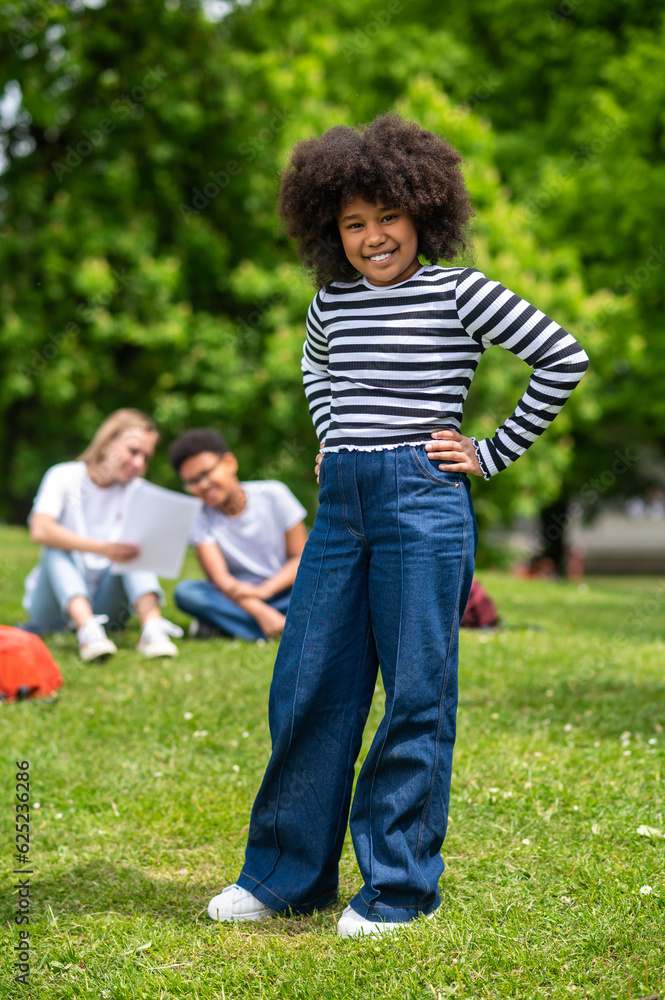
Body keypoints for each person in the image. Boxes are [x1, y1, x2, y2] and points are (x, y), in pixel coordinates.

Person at [207, 114, 589, 937]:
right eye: (353, 223)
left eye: (387, 216)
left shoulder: (460, 292)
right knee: (307, 684)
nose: (372, 236)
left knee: (415, 691)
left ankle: (397, 888)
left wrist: (490, 452)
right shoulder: (330, 302)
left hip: (421, 500)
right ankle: (285, 877)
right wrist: (330, 434)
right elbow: (316, 368)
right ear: (329, 230)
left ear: (423, 214)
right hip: (341, 506)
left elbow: (562, 356)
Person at [21, 409, 183, 661]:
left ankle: (152, 628)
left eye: (146, 457)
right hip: (52, 608)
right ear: (107, 443)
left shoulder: (138, 491)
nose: (139, 463)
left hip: (106, 607)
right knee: (55, 546)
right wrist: (104, 549)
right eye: (133, 451)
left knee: (135, 551)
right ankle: (87, 631)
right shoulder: (64, 475)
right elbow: (40, 529)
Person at [169, 428, 307, 642]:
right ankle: (281, 625)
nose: (202, 485)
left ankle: (228, 626)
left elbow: (300, 558)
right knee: (187, 592)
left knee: (328, 585)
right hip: (237, 597)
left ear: (230, 463)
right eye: (192, 482)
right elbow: (221, 579)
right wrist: (261, 611)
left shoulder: (274, 494)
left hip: (287, 590)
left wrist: (265, 590)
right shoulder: (198, 516)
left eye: (205, 473)